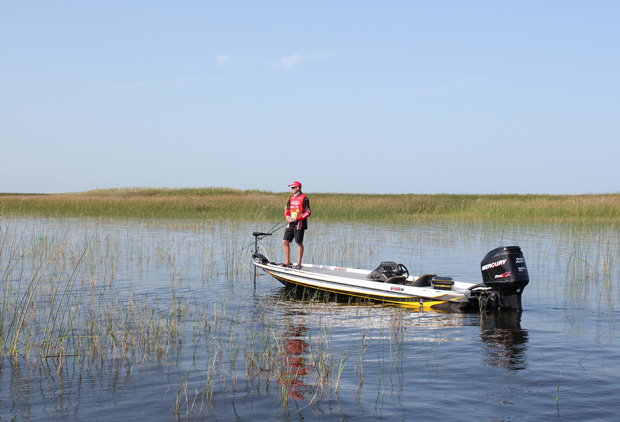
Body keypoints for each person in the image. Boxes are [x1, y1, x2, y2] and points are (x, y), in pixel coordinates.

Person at [282, 181, 311, 269]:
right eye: (291, 187)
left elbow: (308, 212)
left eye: (293, 187)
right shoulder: (291, 198)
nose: (292, 189)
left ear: (298, 188)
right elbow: (287, 209)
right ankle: (287, 262)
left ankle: (299, 263)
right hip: (290, 223)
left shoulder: (304, 198)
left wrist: (298, 218)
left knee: (299, 242)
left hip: (300, 224)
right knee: (285, 241)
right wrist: (287, 216)